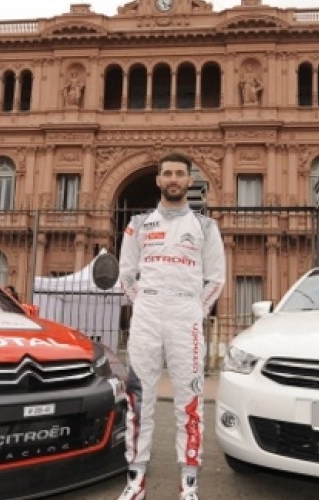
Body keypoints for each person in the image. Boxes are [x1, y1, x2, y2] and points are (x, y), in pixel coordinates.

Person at [117, 153, 225, 500]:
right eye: (168, 174)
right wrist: (145, 302)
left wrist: (195, 309)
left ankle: (189, 482)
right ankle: (135, 480)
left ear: (189, 181)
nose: (174, 179)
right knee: (138, 398)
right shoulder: (137, 224)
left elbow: (216, 279)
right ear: (159, 180)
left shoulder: (206, 227)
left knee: (189, 400)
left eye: (180, 173)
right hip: (147, 313)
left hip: (185, 316)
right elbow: (126, 273)